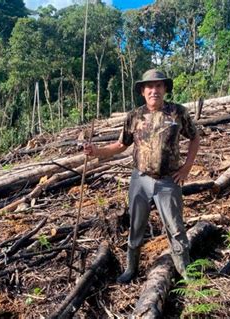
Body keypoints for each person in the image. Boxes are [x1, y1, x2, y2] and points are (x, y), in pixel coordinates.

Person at [84, 69, 200, 283]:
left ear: (165, 89)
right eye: (149, 86)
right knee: (136, 227)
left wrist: (186, 169)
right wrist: (96, 152)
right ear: (142, 91)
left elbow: (195, 138)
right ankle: (131, 269)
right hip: (140, 180)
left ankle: (185, 271)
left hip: (167, 181)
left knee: (175, 228)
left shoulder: (178, 113)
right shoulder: (134, 116)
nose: (154, 90)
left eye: (158, 86)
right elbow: (120, 145)